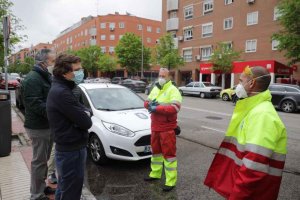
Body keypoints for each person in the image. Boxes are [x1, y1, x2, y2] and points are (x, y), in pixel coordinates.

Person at [204, 66, 287, 200]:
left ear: (251, 83)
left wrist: (236, 196)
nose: (238, 85)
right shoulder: (254, 109)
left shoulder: (262, 115)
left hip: (253, 194)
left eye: (241, 81)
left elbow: (254, 168)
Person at [46, 54, 92, 200]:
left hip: (70, 147)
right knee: (71, 190)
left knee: (65, 187)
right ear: (65, 72)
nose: (81, 72)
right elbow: (86, 122)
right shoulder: (62, 92)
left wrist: (83, 114)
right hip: (71, 151)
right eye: (77, 69)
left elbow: (86, 112)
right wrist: (83, 115)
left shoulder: (64, 88)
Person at [22, 49, 56, 200]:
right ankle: (36, 194)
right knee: (39, 161)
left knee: (44, 159)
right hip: (38, 127)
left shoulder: (44, 76)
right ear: (44, 62)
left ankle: (42, 187)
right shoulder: (33, 78)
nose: (54, 64)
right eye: (53, 61)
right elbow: (34, 103)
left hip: (46, 125)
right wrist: (54, 112)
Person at [144, 68, 182, 192]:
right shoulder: (155, 88)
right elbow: (146, 102)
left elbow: (175, 108)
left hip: (167, 129)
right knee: (156, 153)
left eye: (163, 76)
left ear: (169, 77)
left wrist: (157, 108)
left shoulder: (173, 90)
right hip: (155, 127)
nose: (161, 78)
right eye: (160, 75)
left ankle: (170, 181)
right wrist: (149, 105)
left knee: (169, 155)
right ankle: (155, 174)